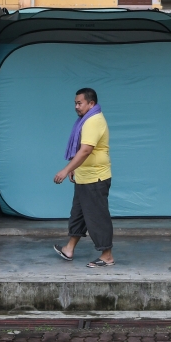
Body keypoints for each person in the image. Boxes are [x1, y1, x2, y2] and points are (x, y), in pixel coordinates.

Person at [53, 87, 114, 268]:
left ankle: (107, 256)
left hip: (95, 178)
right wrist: (75, 167)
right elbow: (80, 150)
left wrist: (65, 170)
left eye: (79, 103)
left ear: (91, 103)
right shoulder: (85, 120)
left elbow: (86, 149)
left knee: (97, 217)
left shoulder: (93, 121)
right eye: (75, 103)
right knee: (78, 216)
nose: (76, 107)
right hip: (84, 177)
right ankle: (69, 248)